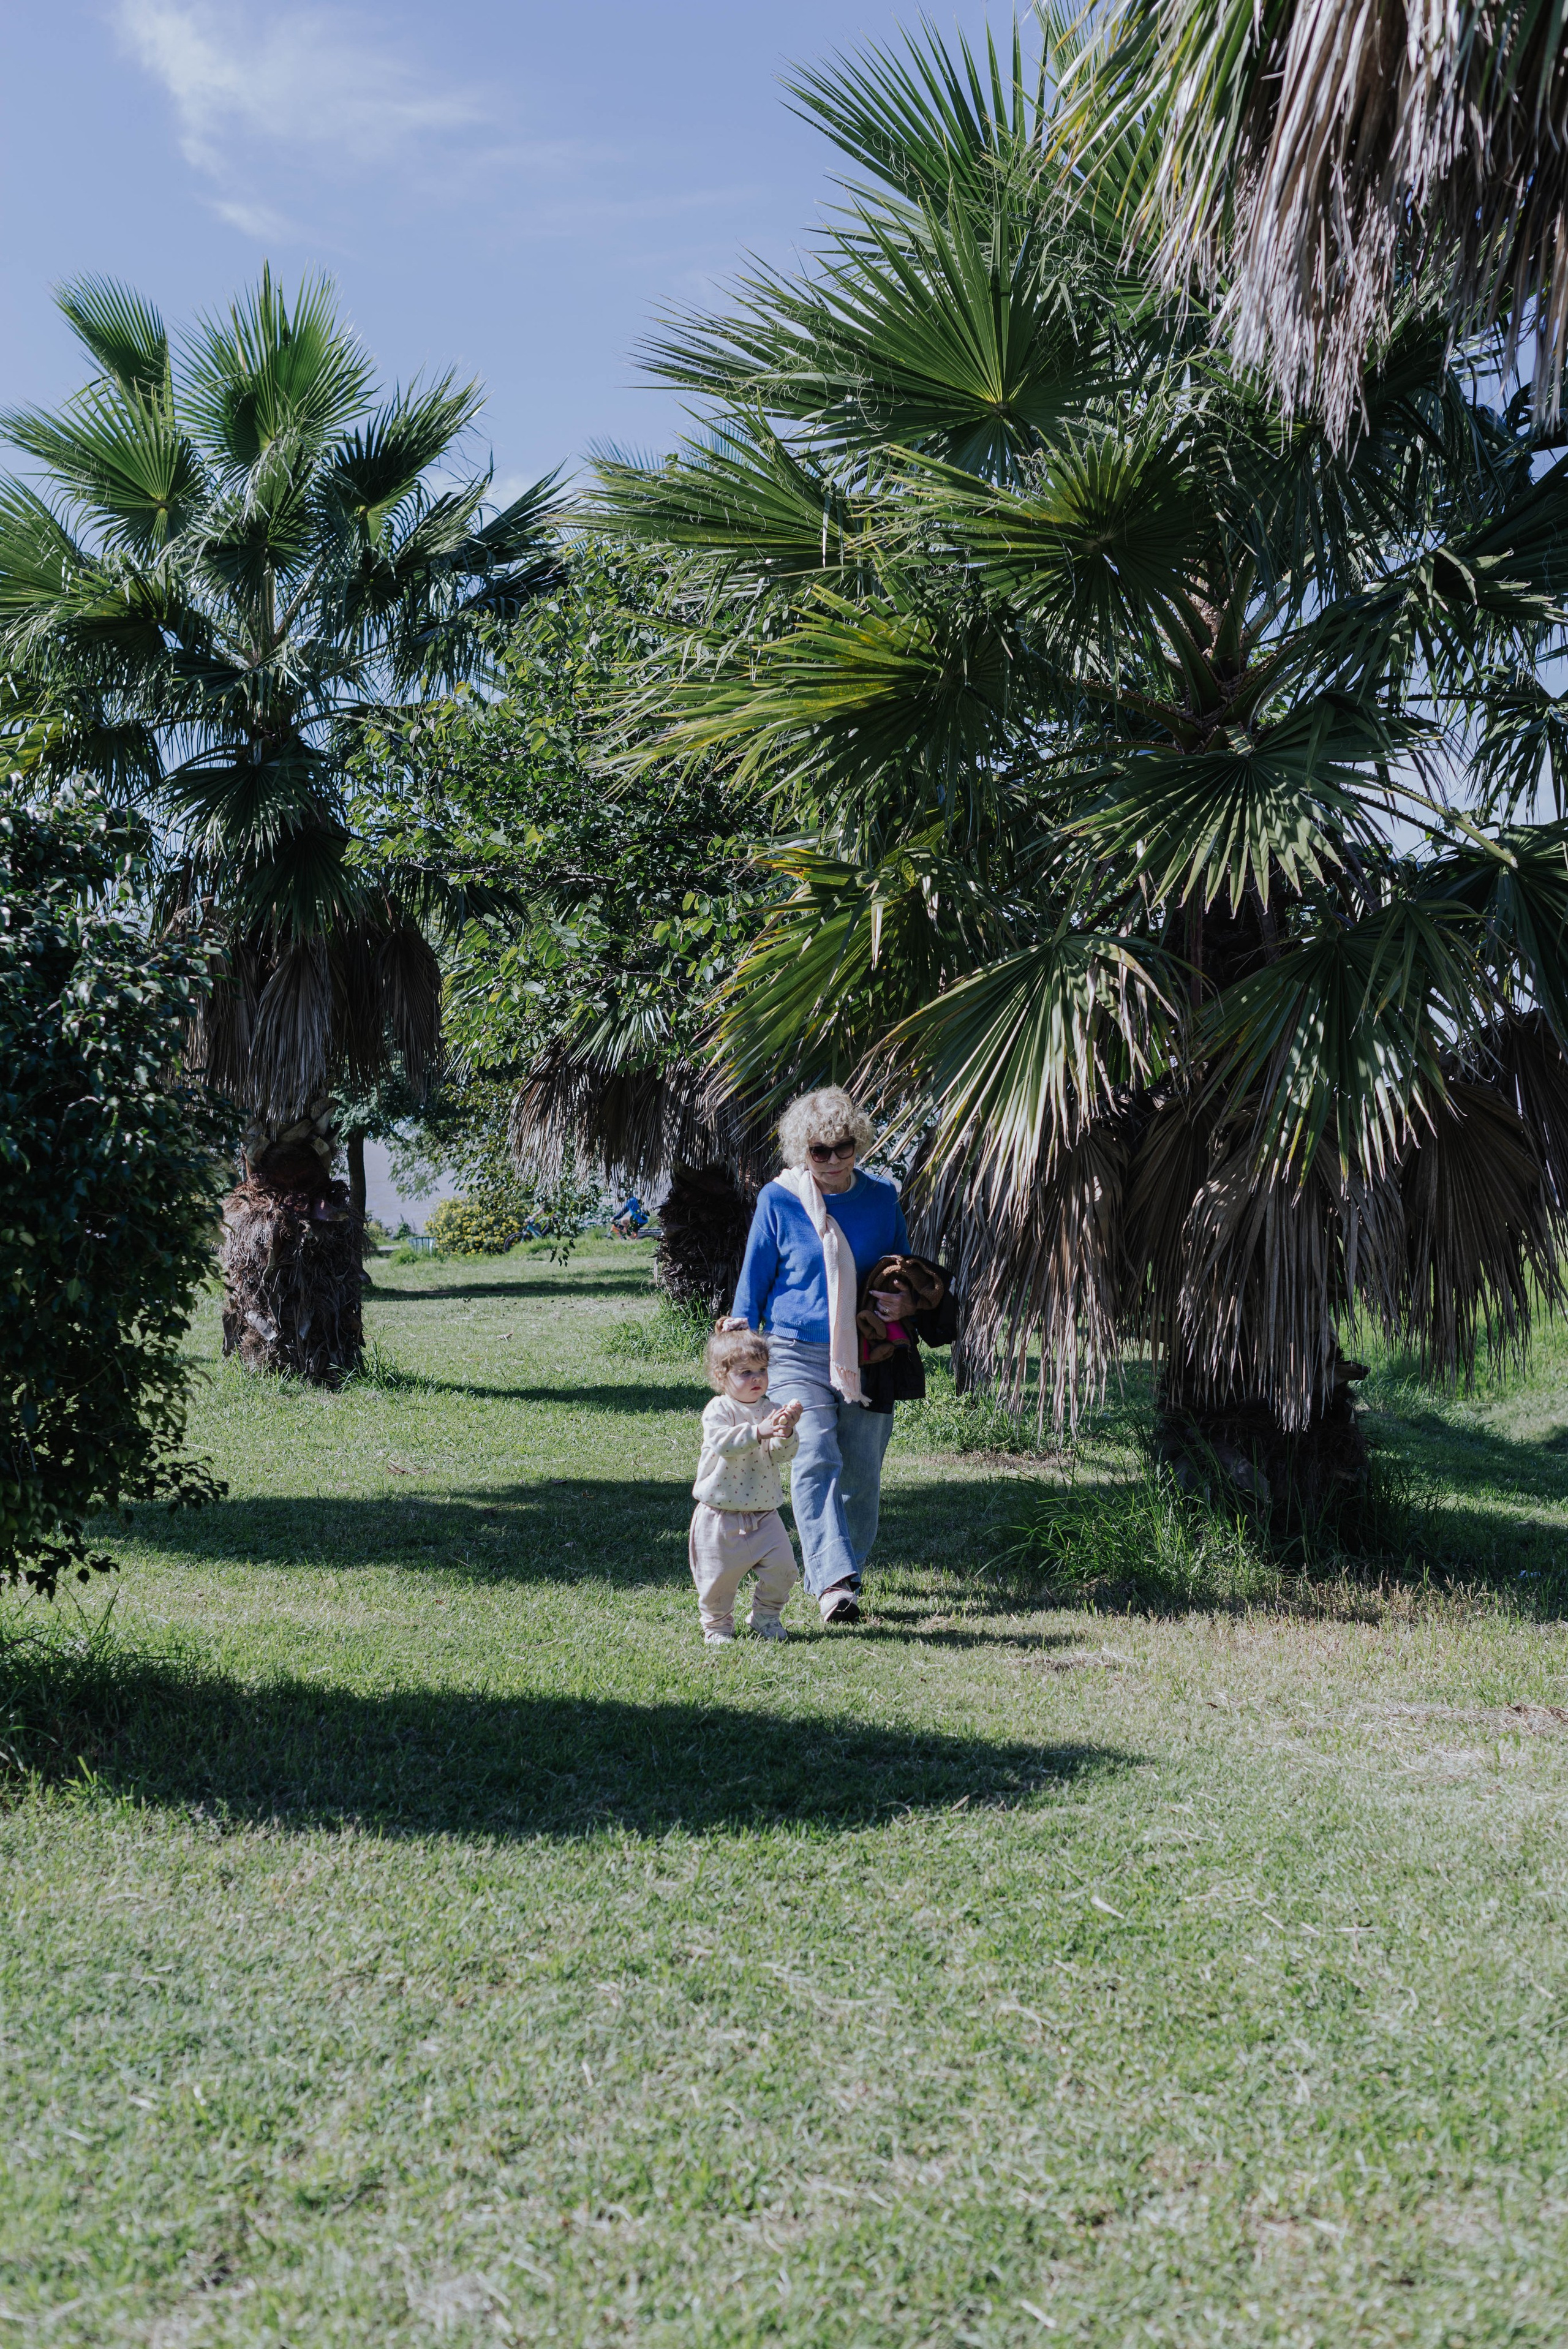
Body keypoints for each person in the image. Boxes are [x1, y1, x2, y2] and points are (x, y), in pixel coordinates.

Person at [718, 1086, 909, 1626]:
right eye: (818, 1150)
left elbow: (902, 1271)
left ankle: (846, 1565)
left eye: (841, 1148)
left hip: (867, 1349)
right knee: (814, 1453)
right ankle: (832, 1582)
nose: (830, 1160)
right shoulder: (778, 1199)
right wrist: (741, 1333)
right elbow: (754, 1279)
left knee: (863, 1469)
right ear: (802, 1149)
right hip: (794, 1349)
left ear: (859, 1144)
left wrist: (902, 1300)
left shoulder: (882, 1198)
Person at [688, 1327, 804, 1645]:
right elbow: (724, 1444)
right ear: (721, 1376)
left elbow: (783, 1455)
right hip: (720, 1515)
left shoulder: (770, 1409)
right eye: (746, 1372)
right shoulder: (719, 1409)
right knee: (717, 1580)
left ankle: (766, 1616)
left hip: (765, 1513)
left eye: (763, 1370)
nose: (758, 1379)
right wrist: (759, 1431)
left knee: (784, 1570)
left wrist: (786, 1432)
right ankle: (717, 1625)